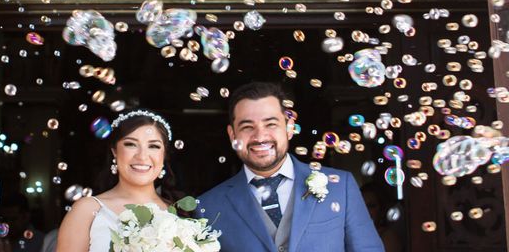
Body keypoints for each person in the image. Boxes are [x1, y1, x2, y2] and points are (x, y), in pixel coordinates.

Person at [198, 82, 384, 252]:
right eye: (247, 127)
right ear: (232, 135)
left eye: (271, 124)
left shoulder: (340, 187)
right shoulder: (208, 207)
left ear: (289, 128)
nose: (260, 136)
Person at [56, 109, 181, 251]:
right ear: (114, 151)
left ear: (164, 155)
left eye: (153, 146)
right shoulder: (87, 210)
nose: (142, 156)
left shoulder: (179, 213)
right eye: (130, 144)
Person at [361, 183, 403, 252]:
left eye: (371, 206)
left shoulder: (388, 238)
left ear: (382, 209)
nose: (365, 211)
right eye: (362, 205)